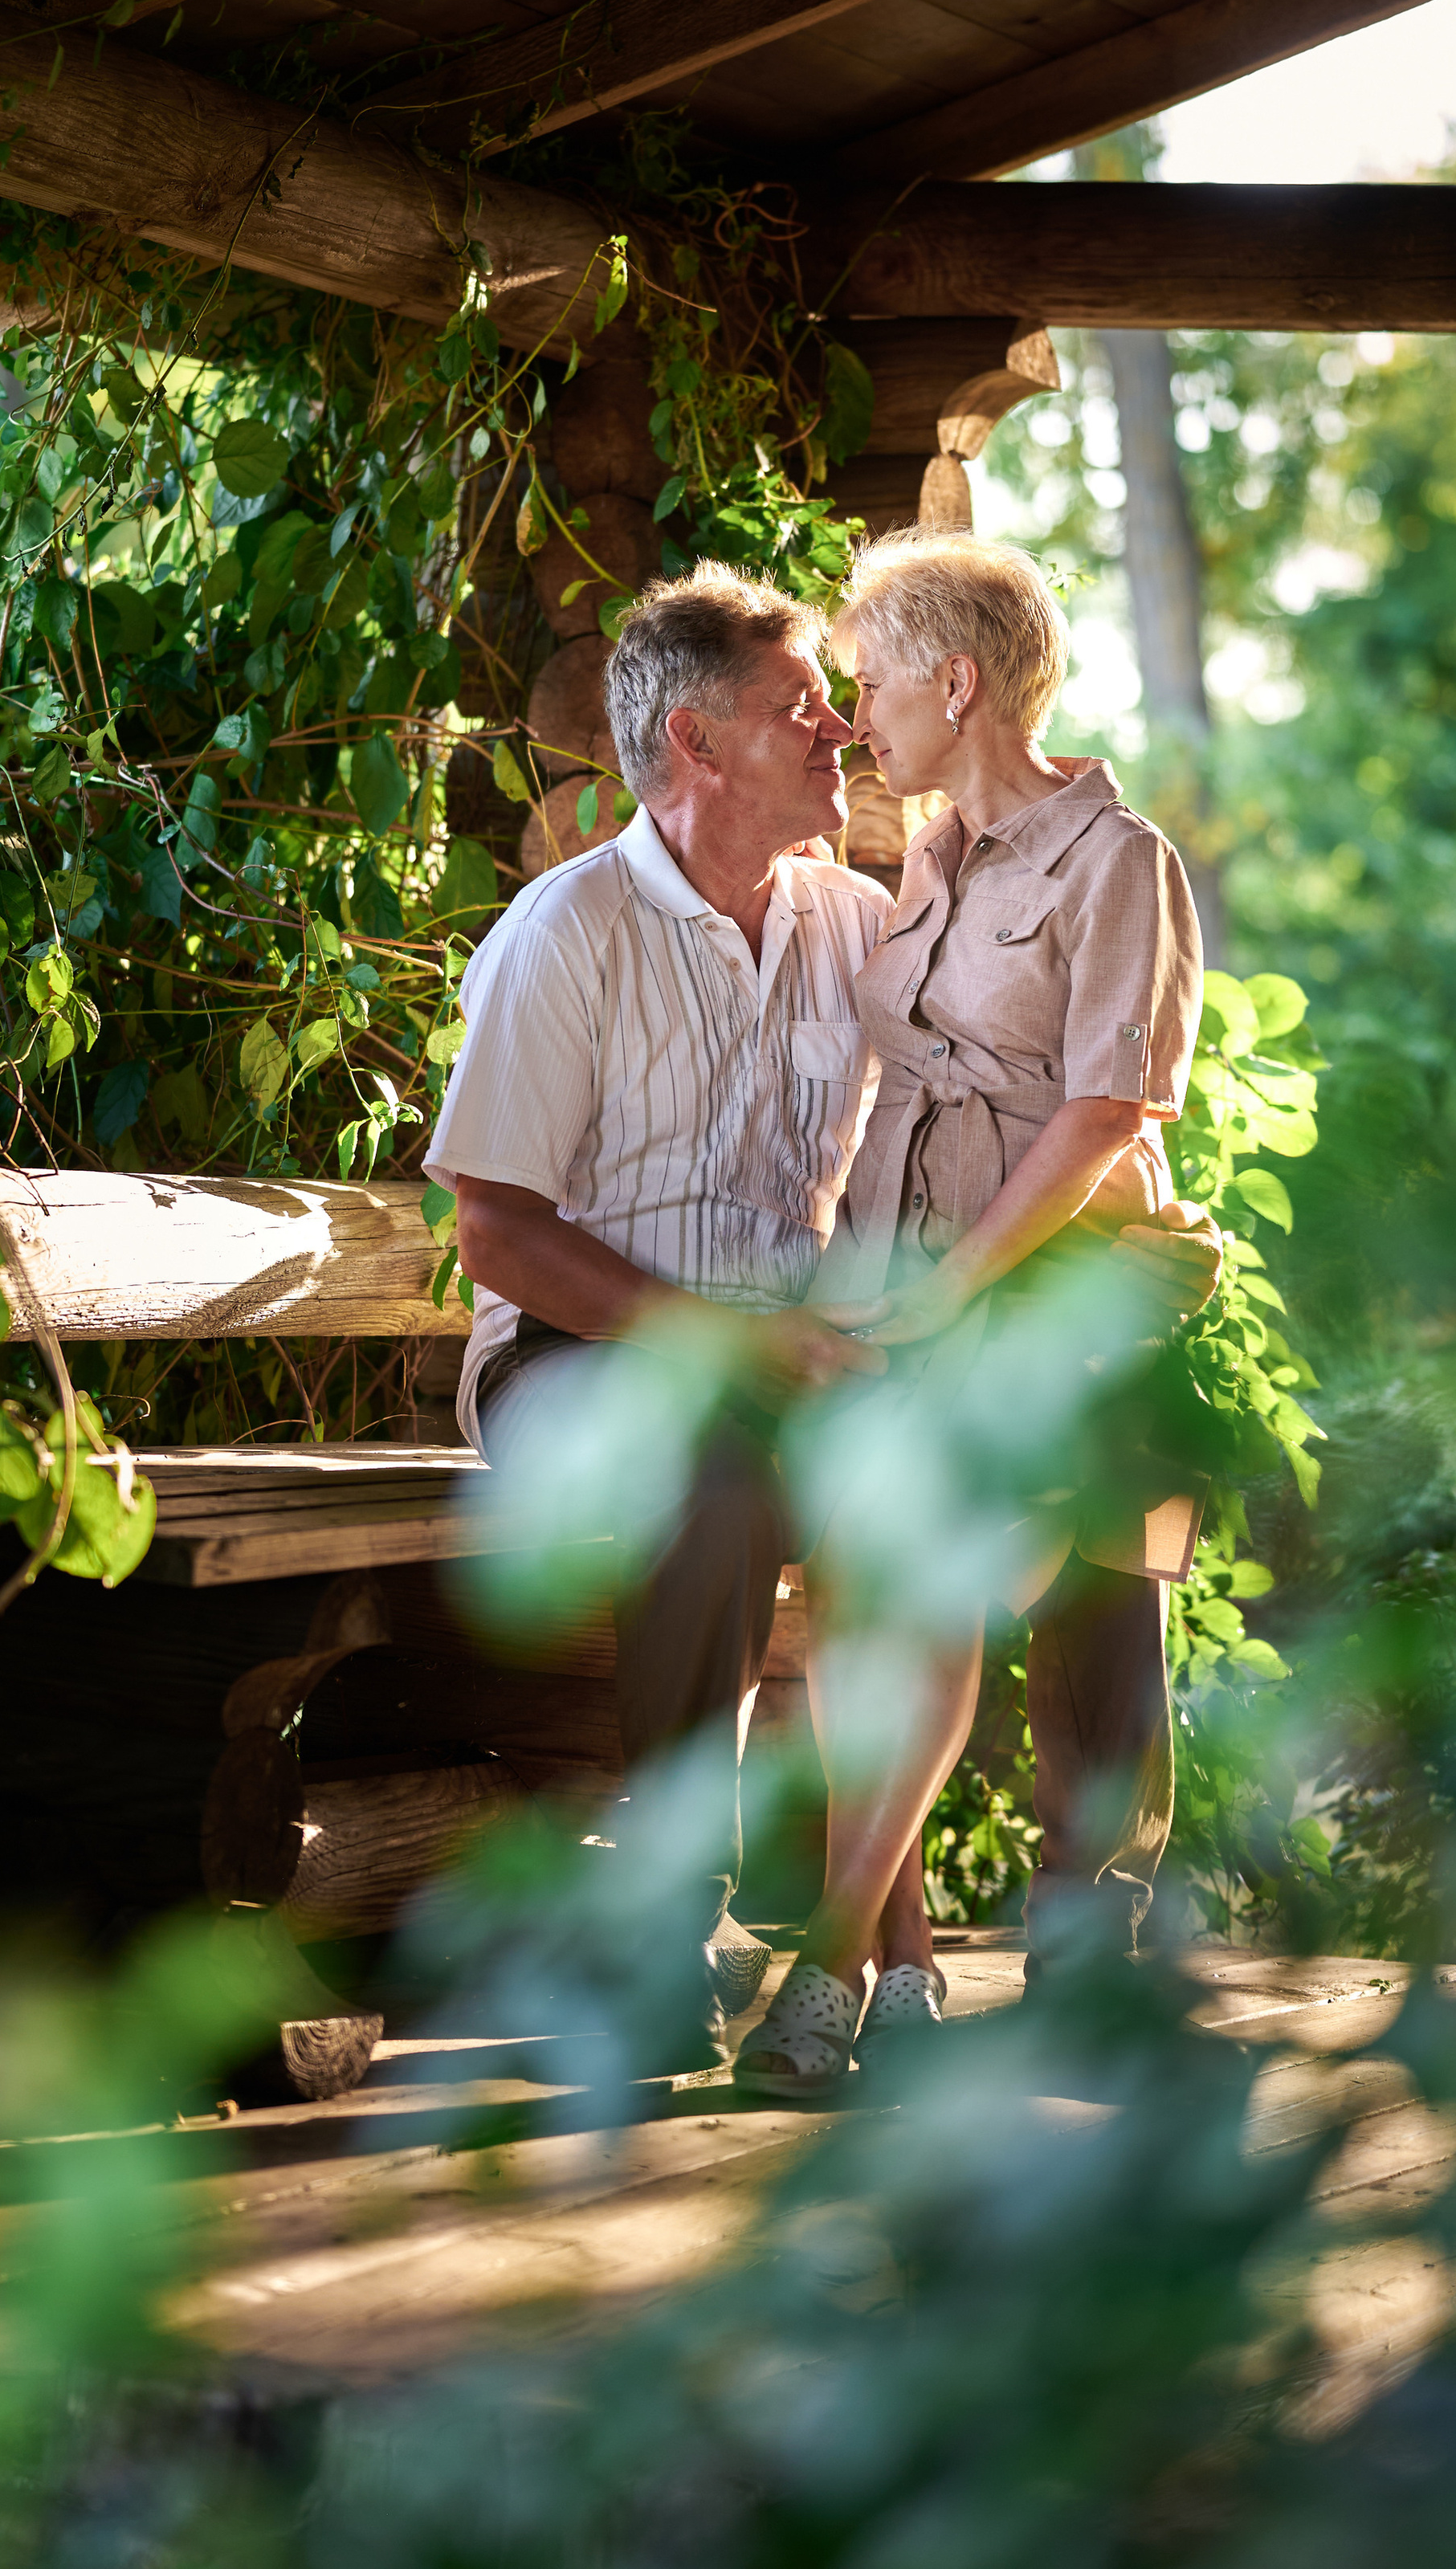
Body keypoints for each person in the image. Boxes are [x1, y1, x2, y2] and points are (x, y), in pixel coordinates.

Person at [733, 532, 1217, 2098]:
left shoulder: (1115, 860)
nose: (856, 716)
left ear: (957, 682)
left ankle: (1057, 1983)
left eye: (870, 683)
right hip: (906, 1291)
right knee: (883, 1603)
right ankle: (894, 1972)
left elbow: (1099, 1113)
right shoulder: (929, 852)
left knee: (1084, 1625)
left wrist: (955, 1290)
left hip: (1049, 1294)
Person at [425, 561, 891, 2071]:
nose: (838, 728)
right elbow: (493, 1228)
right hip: (582, 1364)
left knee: (1031, 1472)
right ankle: (669, 1920)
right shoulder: (567, 934)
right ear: (694, 744)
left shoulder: (863, 926)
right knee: (711, 1462)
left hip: (794, 1368)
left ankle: (977, 1936)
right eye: (798, 704)